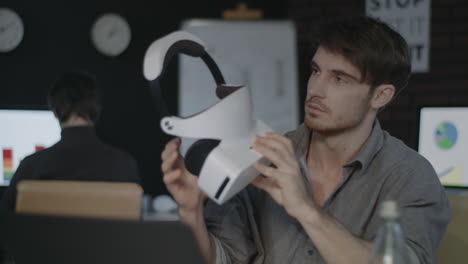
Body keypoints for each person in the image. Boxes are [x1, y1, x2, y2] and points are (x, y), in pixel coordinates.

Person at [161, 16, 450, 264]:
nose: (316, 89)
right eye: (315, 71)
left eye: (339, 79)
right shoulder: (261, 155)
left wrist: (305, 209)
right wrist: (191, 210)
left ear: (380, 96)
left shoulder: (411, 176)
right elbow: (223, 258)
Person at [0, 71, 140, 212]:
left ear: (54, 111)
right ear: (96, 110)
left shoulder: (31, 167)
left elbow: (5, 223)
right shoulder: (125, 165)